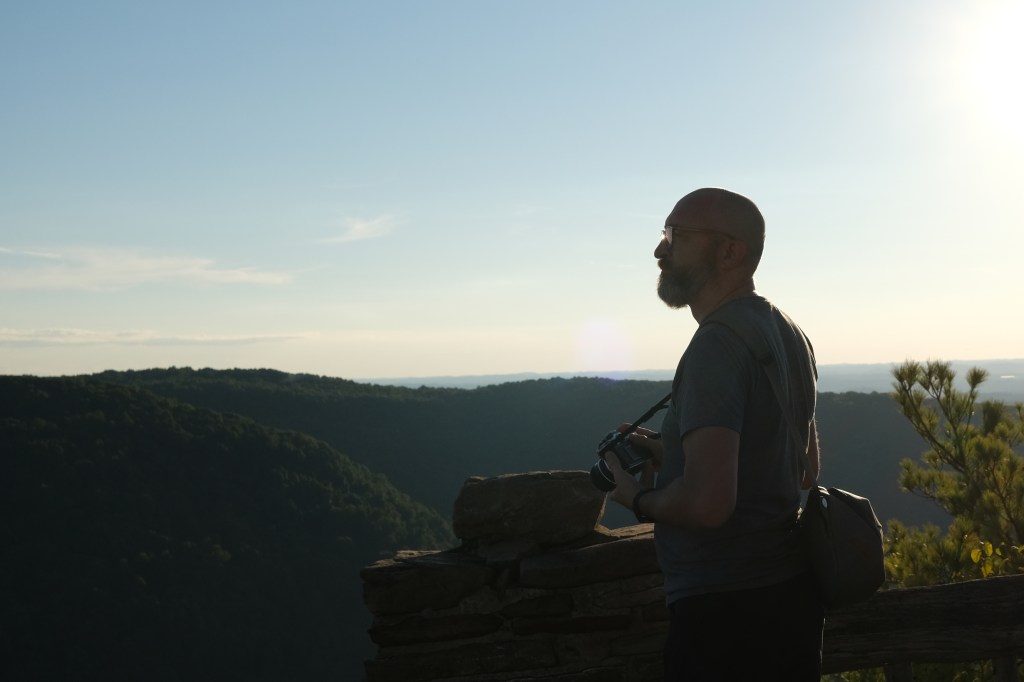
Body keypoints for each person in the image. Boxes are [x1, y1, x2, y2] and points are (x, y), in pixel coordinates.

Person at [602, 187, 824, 681]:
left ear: (729, 252)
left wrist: (636, 497)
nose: (659, 250)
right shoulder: (790, 333)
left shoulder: (716, 346)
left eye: (676, 235)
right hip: (790, 600)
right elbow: (805, 469)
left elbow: (708, 506)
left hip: (725, 615)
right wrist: (675, 453)